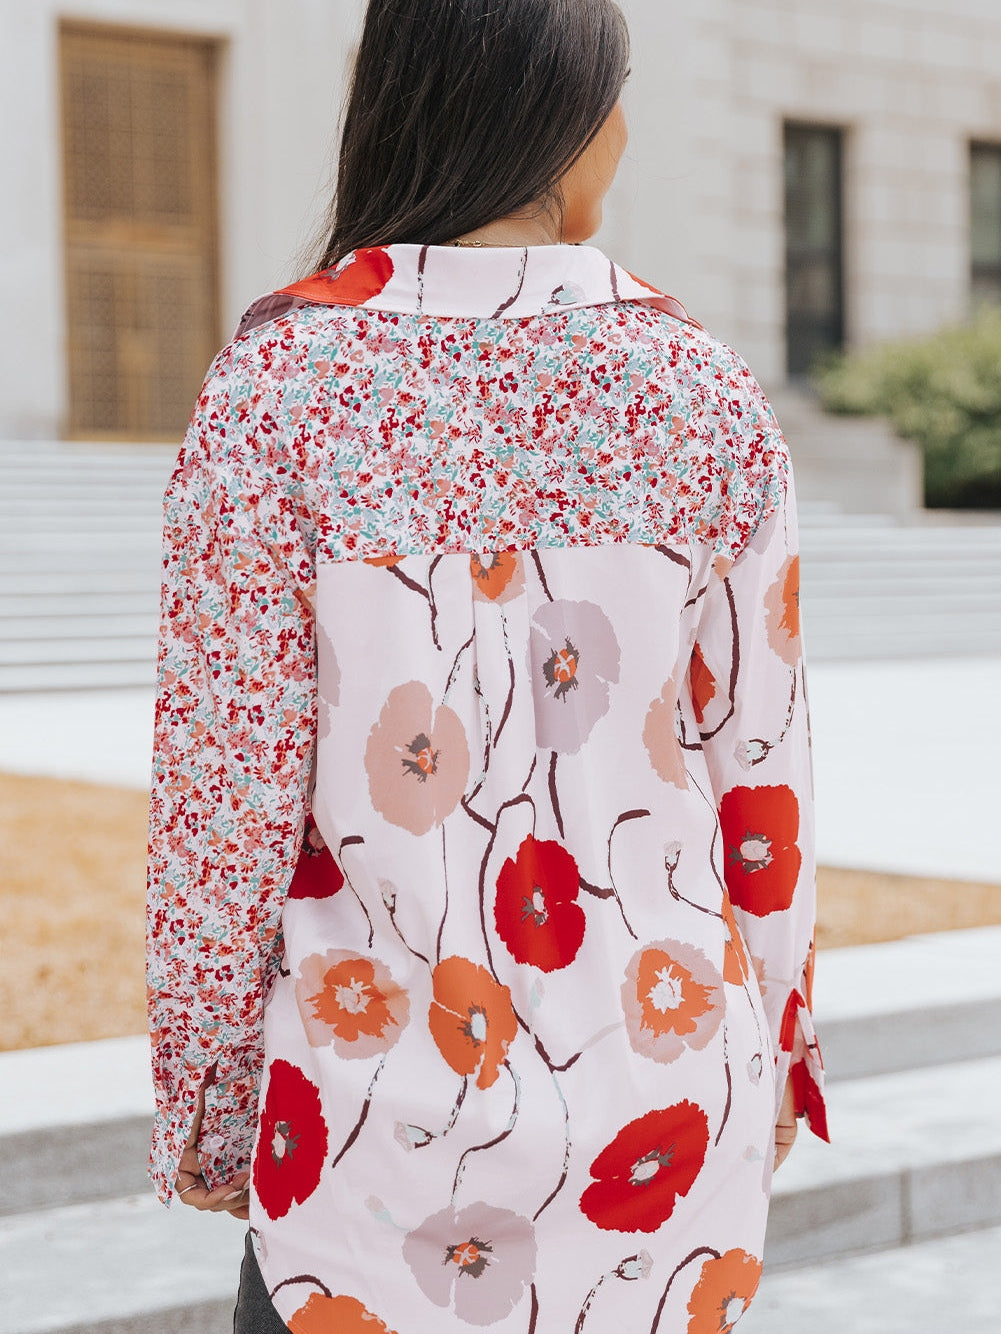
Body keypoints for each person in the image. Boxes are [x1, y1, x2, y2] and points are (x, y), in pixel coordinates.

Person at [146, 1, 829, 1330]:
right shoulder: (699, 388)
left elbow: (221, 797)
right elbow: (764, 771)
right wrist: (782, 1048)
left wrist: (216, 1101)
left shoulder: (275, 388)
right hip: (661, 1108)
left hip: (362, 1133)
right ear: (559, 117)